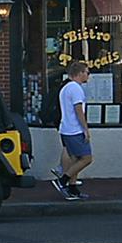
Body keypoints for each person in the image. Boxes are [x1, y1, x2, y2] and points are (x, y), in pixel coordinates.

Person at [50, 59, 93, 200]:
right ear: (79, 73)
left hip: (65, 128)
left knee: (75, 159)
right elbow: (78, 110)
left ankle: (73, 188)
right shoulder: (75, 88)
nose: (88, 75)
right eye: (87, 72)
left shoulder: (66, 88)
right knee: (87, 158)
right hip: (74, 130)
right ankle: (63, 181)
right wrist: (85, 129)